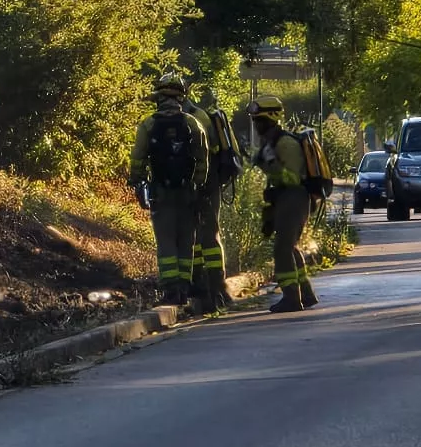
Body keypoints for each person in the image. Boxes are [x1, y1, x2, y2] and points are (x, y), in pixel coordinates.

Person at [129, 73, 209, 307]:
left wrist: (137, 181)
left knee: (166, 242)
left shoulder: (149, 123)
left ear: (159, 98)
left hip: (161, 192)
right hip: (187, 192)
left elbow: (138, 157)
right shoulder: (193, 123)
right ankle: (183, 289)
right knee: (186, 240)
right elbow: (202, 159)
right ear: (181, 98)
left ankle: (170, 290)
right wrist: (198, 185)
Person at [247, 96, 319, 313]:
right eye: (254, 120)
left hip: (294, 198)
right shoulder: (272, 141)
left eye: (259, 121)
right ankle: (305, 294)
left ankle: (291, 298)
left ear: (271, 118)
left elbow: (292, 178)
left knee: (282, 249)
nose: (256, 125)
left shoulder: (285, 143)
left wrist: (271, 164)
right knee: (290, 247)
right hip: (283, 199)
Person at [186, 84, 242, 313]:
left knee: (207, 235)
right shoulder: (194, 116)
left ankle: (216, 286)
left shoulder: (198, 119)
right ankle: (203, 284)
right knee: (200, 237)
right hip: (200, 186)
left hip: (205, 186)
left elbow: (208, 155)